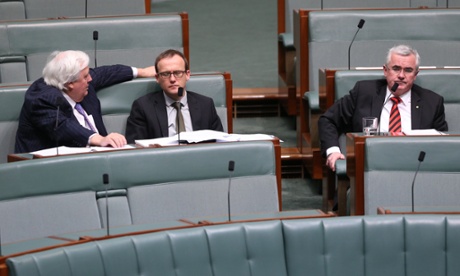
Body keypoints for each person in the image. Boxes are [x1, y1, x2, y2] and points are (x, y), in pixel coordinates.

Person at [319, 44, 448, 171]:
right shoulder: (364, 92)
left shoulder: (432, 102)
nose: (401, 75)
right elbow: (328, 120)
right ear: (385, 70)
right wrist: (333, 151)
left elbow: (442, 144)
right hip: (368, 167)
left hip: (414, 169)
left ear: (415, 75)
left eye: (408, 70)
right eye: (396, 68)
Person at [14, 50, 156, 153]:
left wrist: (141, 72)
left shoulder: (76, 80)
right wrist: (99, 140)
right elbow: (64, 126)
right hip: (48, 171)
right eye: (86, 76)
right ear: (70, 83)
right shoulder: (41, 98)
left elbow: (105, 73)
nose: (91, 79)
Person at [125, 49, 223, 143]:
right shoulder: (143, 107)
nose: (172, 79)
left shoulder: (205, 105)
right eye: (165, 74)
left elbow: (220, 142)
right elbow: (135, 147)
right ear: (157, 78)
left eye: (177, 73)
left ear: (187, 75)